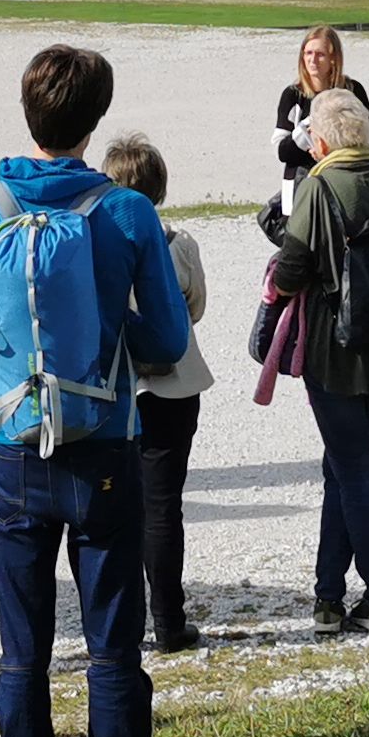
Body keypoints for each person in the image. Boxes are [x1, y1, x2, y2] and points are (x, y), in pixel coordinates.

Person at [0, 43, 195, 737]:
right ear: (95, 118)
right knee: (113, 648)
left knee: (22, 654)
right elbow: (166, 340)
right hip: (106, 446)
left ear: (28, 111)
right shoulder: (127, 213)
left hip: (16, 453)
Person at [270, 87, 369, 634]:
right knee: (343, 464)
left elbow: (291, 271)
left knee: (353, 468)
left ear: (320, 142)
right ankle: (329, 596)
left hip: (335, 351)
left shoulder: (318, 188)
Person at [107, 133, 214, 655]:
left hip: (116, 385)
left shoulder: (97, 243)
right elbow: (196, 308)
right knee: (164, 506)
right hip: (174, 383)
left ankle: (119, 621)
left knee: (114, 508)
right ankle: (169, 620)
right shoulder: (179, 243)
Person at [272, 26, 359, 206]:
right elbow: (281, 151)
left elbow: (368, 142)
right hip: (299, 186)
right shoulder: (293, 95)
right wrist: (308, 128)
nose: (313, 60)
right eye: (308, 53)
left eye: (320, 54)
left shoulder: (352, 92)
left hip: (342, 184)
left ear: (334, 58)